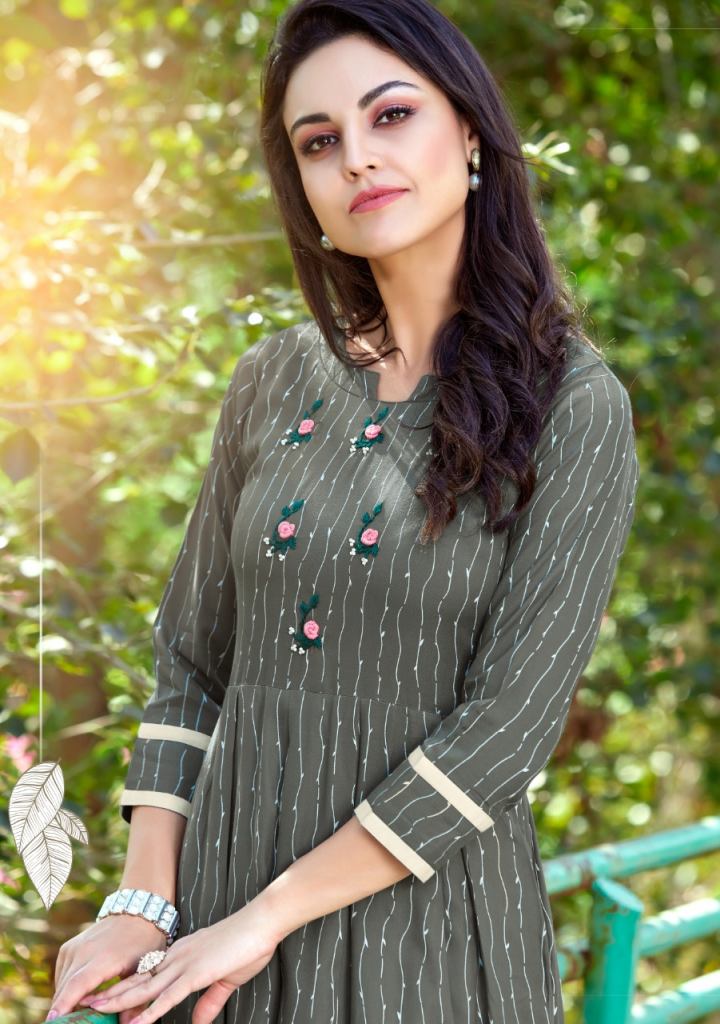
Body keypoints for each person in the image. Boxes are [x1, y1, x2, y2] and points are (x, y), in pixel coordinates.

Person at [48, 1, 640, 1022]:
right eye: (319, 142)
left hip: (430, 941)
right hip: (218, 932)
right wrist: (143, 904)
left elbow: (506, 729)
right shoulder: (273, 378)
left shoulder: (576, 407)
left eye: (391, 115)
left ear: (470, 134)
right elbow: (192, 662)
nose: (357, 156)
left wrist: (268, 916)